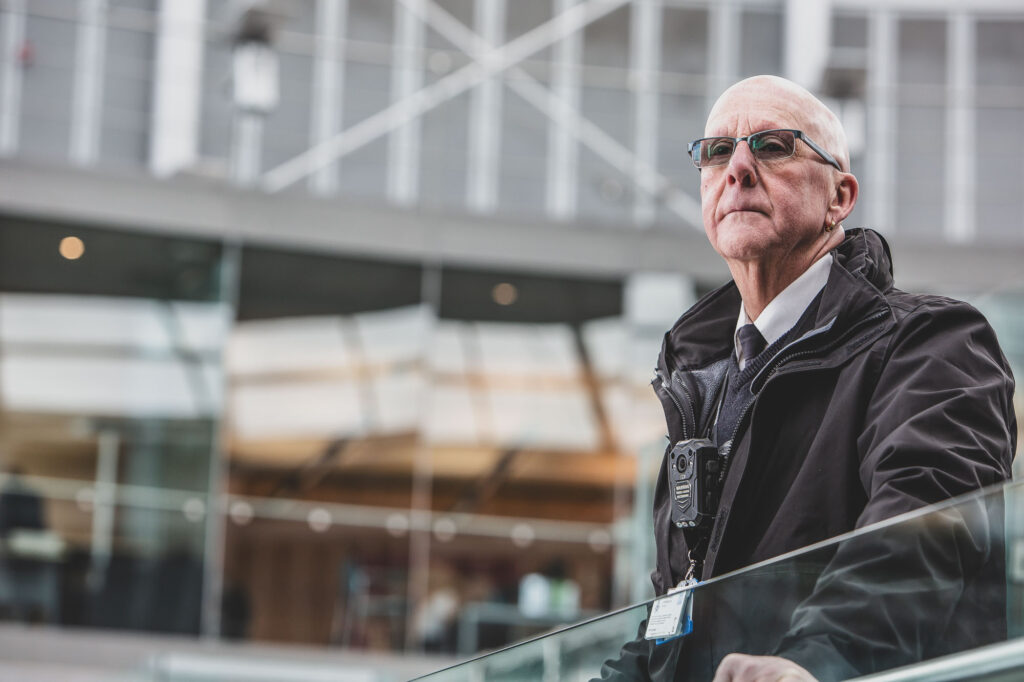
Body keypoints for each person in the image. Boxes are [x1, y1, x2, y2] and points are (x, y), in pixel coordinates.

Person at [597, 75, 1016, 681]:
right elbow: (673, 618)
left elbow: (921, 533)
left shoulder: (931, 343)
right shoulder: (702, 386)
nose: (737, 167)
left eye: (772, 146)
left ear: (839, 197)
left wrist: (817, 662)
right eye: (716, 151)